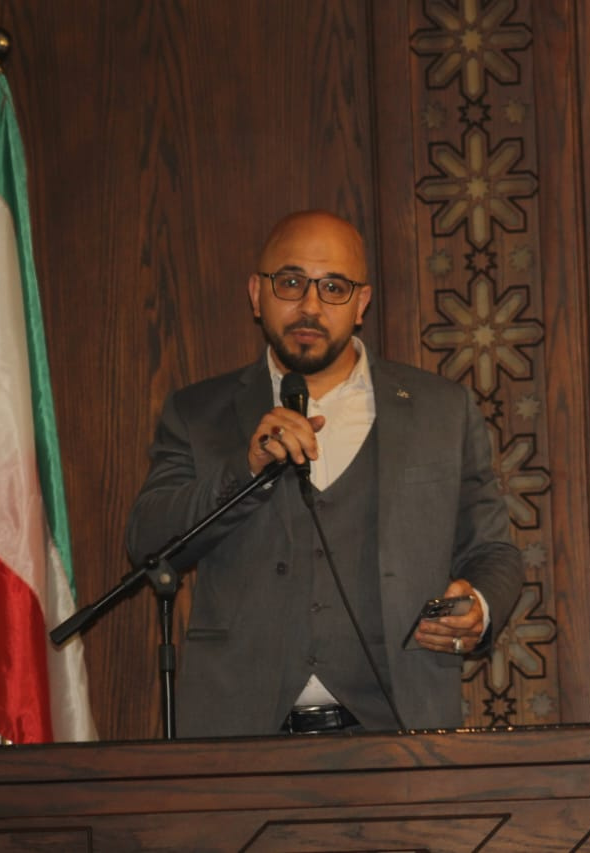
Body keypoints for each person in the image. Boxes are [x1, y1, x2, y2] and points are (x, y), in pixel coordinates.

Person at [126, 210, 523, 737]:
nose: (310, 306)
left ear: (361, 304)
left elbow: (492, 550)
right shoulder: (197, 412)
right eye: (291, 283)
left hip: (399, 727)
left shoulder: (441, 410)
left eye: (334, 287)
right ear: (256, 294)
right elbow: (148, 543)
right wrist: (245, 469)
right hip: (238, 731)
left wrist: (479, 607)